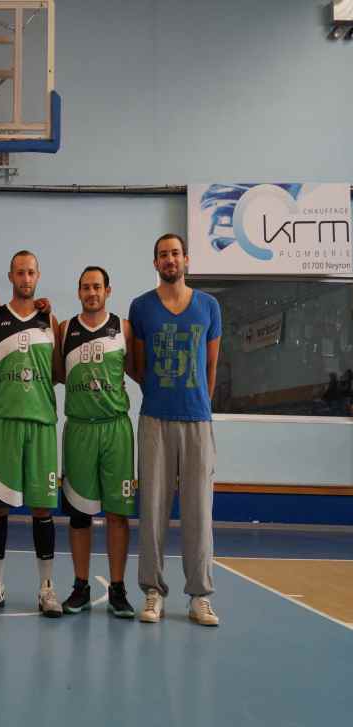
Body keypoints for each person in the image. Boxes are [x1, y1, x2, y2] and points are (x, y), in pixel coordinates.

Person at [129, 233, 222, 626]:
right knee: (152, 510)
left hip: (197, 420)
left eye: (175, 253)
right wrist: (161, 391)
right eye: (163, 255)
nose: (170, 259)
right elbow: (137, 366)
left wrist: (198, 401)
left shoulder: (209, 306)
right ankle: (153, 592)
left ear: (186, 259)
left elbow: (211, 366)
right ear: (156, 263)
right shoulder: (141, 307)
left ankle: (199, 596)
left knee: (199, 511)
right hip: (155, 418)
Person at [0, 251, 63, 616]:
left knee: (42, 508)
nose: (26, 278)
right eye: (20, 272)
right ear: (10, 276)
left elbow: (58, 372)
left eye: (31, 272)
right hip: (4, 421)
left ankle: (46, 588)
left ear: (38, 275)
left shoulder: (49, 319)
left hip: (41, 422)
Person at [57, 266, 138, 618]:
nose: (92, 292)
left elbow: (136, 370)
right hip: (79, 429)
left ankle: (118, 588)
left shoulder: (123, 328)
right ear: (79, 292)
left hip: (115, 428)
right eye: (86, 287)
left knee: (118, 513)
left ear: (108, 290)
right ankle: (81, 586)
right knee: (80, 515)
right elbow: (58, 374)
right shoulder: (65, 329)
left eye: (97, 287)